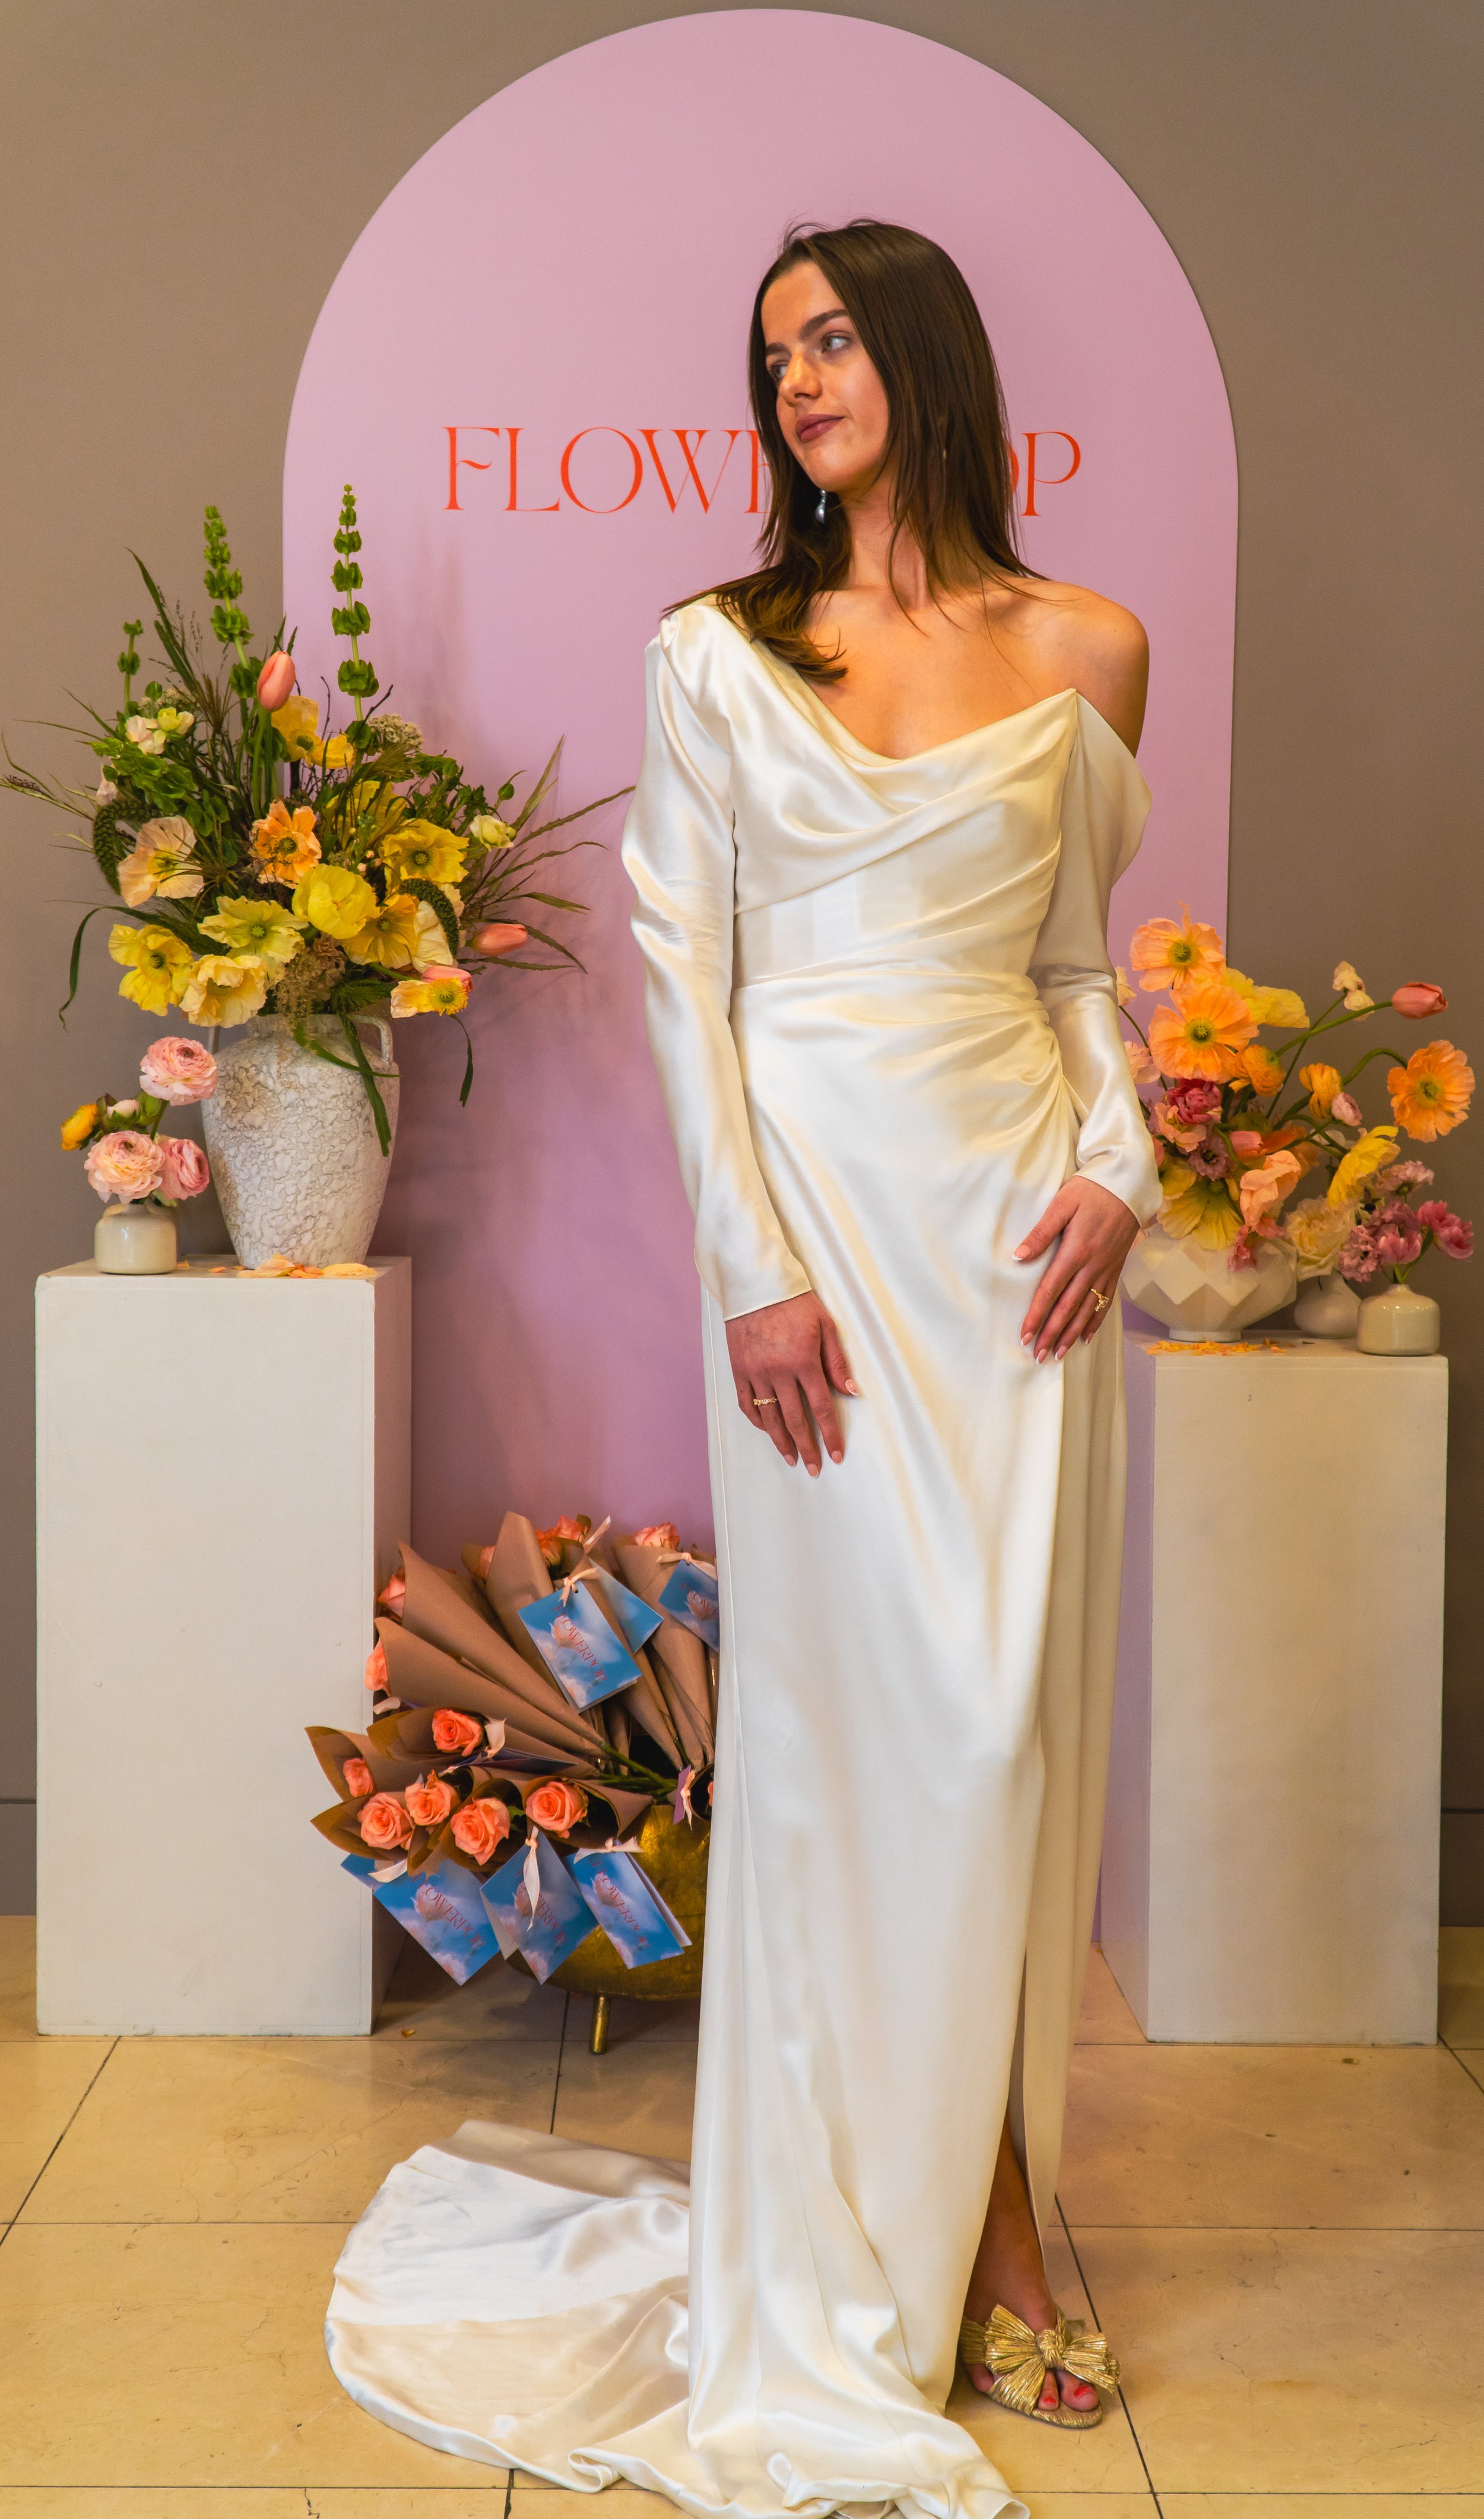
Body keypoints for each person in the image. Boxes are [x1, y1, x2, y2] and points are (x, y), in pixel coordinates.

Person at [325, 221, 1160, 2519]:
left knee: (1000, 1730)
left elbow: (1079, 964)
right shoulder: (717, 651)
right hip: (818, 1253)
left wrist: (1128, 1150)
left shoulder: (1090, 642)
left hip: (1010, 1244)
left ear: (928, 354)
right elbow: (688, 993)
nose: (798, 375)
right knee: (836, 1758)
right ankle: (882, 2232)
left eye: (833, 335)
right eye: (772, 349)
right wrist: (753, 1275)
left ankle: (992, 2190)